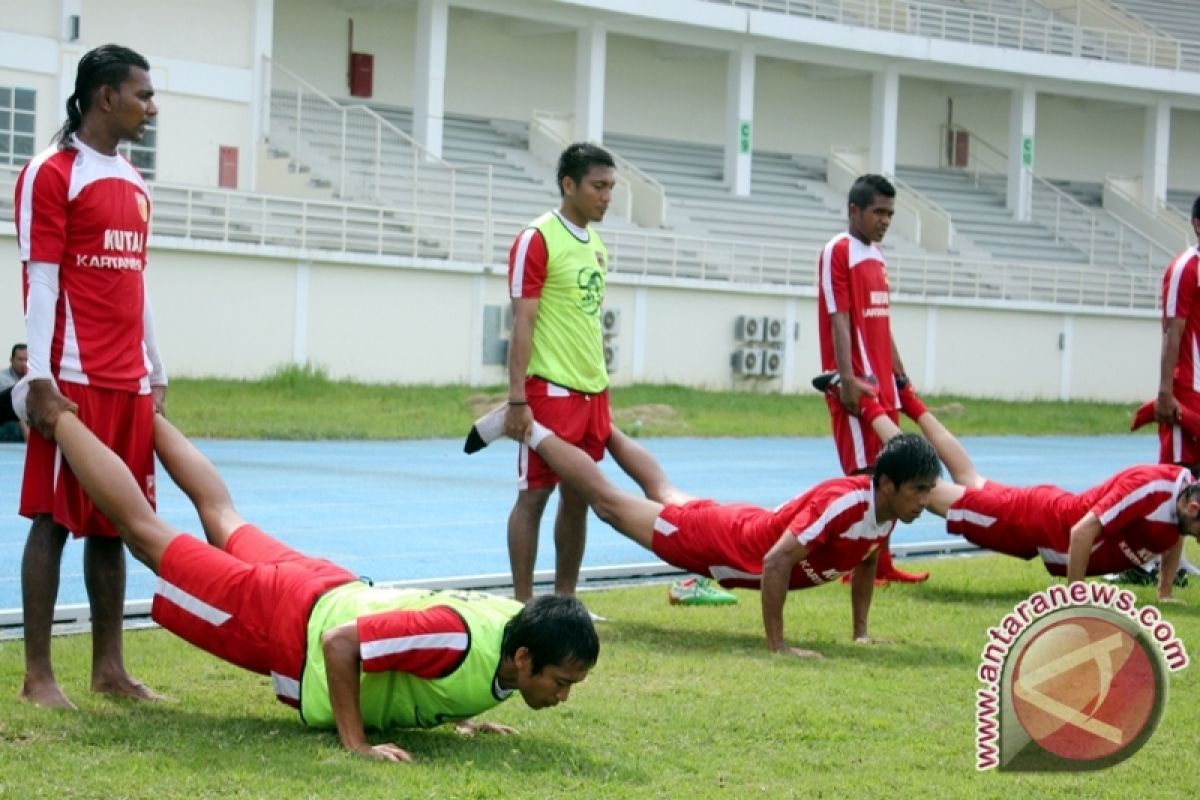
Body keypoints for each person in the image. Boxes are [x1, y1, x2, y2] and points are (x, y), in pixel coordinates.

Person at [18, 391, 598, 763]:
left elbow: (430, 668)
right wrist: (356, 743)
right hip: (289, 617)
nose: (564, 696)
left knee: (224, 516)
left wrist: (459, 717)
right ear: (524, 659)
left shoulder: (506, 627)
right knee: (146, 535)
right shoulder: (460, 638)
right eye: (562, 681)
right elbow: (341, 644)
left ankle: (148, 412)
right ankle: (55, 415)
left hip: (325, 584)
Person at [476, 406, 939, 658]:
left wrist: (860, 633)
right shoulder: (844, 502)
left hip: (735, 523)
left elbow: (869, 558)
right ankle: (529, 426)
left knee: (662, 488)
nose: (924, 501)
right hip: (718, 541)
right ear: (886, 484)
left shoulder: (888, 511)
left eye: (927, 492)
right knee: (610, 505)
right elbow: (777, 561)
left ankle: (601, 419)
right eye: (918, 490)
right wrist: (778, 646)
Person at [13, 44, 167, 708]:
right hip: (70, 379)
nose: (150, 106)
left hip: (126, 379)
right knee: (52, 519)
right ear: (106, 97)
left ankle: (110, 669)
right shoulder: (51, 172)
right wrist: (41, 378)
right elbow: (41, 280)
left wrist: (156, 366)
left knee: (115, 524)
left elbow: (137, 283)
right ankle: (38, 676)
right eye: (143, 94)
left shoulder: (134, 181)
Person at [861, 399, 1198, 602]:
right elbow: (1082, 533)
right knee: (926, 489)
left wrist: (1164, 591)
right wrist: (1074, 599)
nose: (1196, 537)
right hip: (1034, 524)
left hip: (1043, 511)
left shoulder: (1180, 498)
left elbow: (1174, 533)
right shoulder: (1150, 488)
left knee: (968, 479)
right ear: (1193, 507)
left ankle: (906, 395)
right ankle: (867, 405)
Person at [491, 142, 616, 606]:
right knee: (534, 497)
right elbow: (522, 321)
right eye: (598, 186)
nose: (607, 196)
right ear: (569, 185)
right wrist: (518, 398)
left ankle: (565, 602)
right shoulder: (537, 238)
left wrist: (601, 387)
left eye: (610, 187)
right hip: (549, 393)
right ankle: (524, 606)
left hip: (591, 393)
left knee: (579, 497)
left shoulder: (598, 246)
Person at [816, 173, 928, 584]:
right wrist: (846, 379)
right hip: (856, 387)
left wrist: (899, 372)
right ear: (854, 210)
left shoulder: (877, 255)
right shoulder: (838, 250)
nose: (885, 220)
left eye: (890, 213)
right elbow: (838, 316)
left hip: (883, 386)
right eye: (878, 212)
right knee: (865, 477)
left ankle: (882, 564)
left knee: (893, 474)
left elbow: (880, 321)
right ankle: (852, 563)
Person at [1151, 195, 1200, 472]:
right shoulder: (1186, 268)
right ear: (1197, 224)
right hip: (1188, 393)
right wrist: (1165, 393)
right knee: (1181, 480)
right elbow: (1172, 332)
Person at [0, 343, 28, 441]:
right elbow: (11, 408)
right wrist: (25, 430)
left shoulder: (34, 379)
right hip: (9, 421)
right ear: (11, 360)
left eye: (27, 360)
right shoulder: (3, 379)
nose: (24, 363)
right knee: (12, 430)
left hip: (30, 418)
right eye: (20, 359)